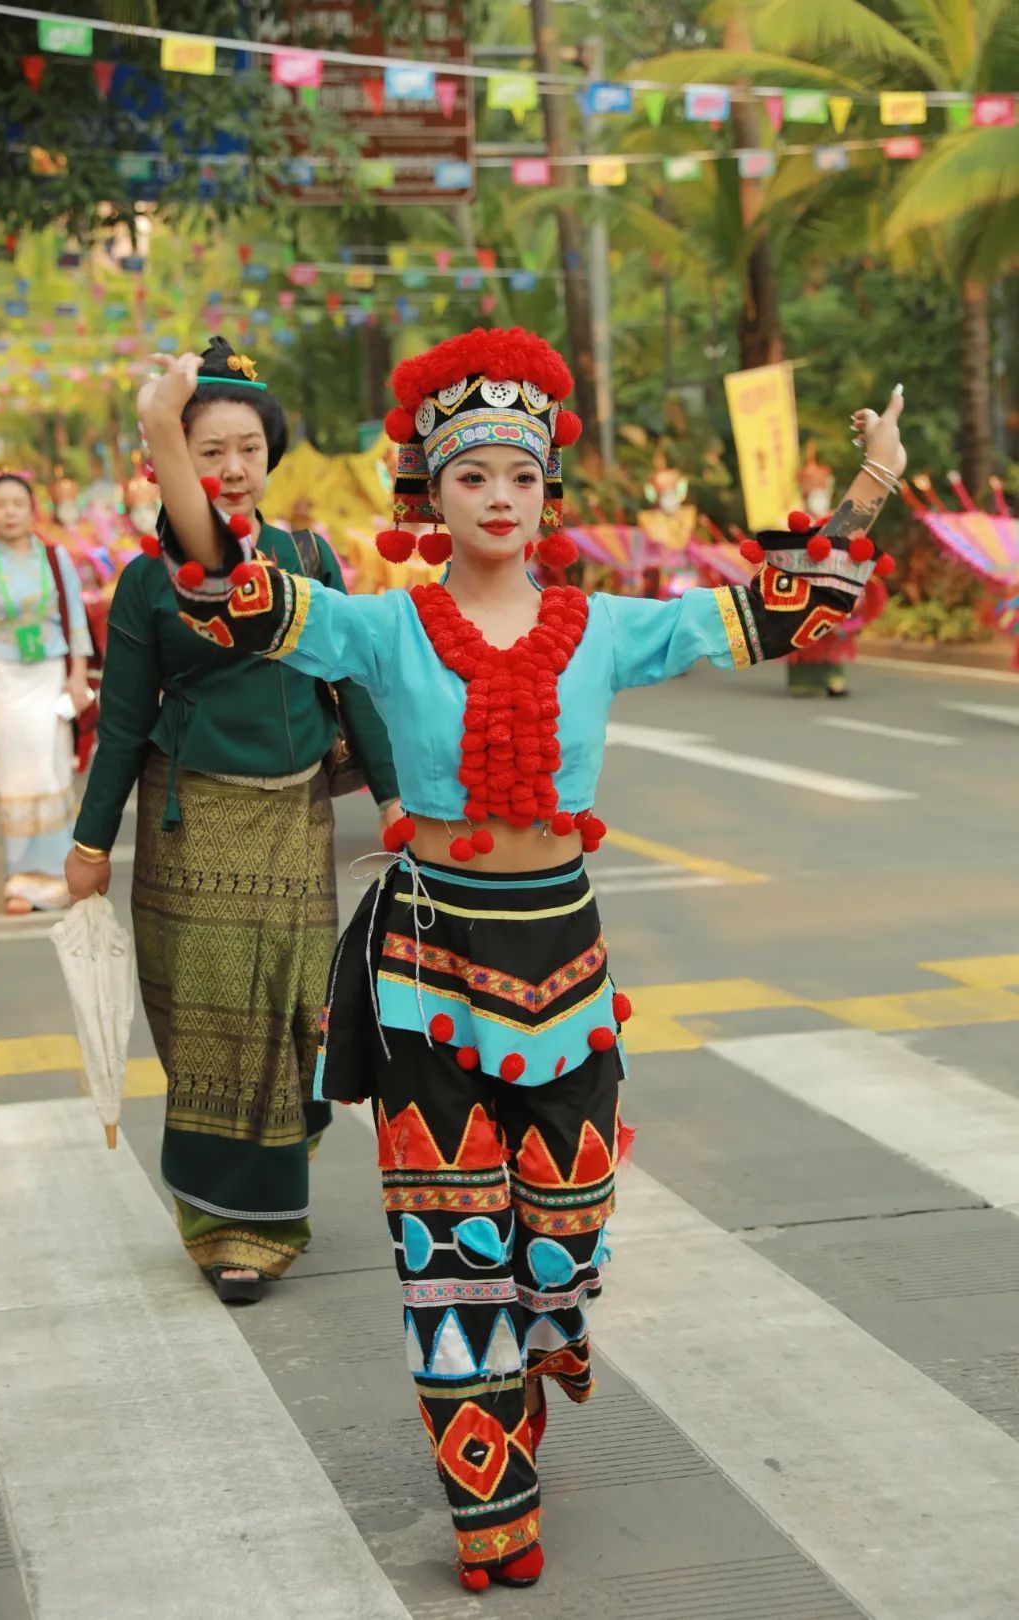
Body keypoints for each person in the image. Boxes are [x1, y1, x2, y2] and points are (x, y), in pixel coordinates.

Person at [142, 328, 906, 1587]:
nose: (501, 498)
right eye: (472, 478)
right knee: (451, 1259)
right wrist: (172, 436)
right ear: (429, 499)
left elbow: (774, 614)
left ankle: (548, 1330)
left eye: (522, 477)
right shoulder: (384, 628)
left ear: (550, 494)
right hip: (428, 966)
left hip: (566, 961)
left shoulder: (605, 625)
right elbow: (230, 584)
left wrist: (868, 489)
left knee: (564, 1231)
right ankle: (491, 1513)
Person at [66, 337, 400, 1305]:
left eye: (247, 447)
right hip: (191, 830)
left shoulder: (310, 558)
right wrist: (89, 844)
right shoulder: (153, 580)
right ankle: (230, 1227)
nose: (232, 468)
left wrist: (389, 796)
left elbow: (351, 683)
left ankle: (263, 1188)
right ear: (176, 460)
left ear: (270, 453)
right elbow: (124, 724)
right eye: (207, 450)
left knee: (295, 1016)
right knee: (217, 1028)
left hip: (294, 827)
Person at [0, 471, 93, 913]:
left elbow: (76, 620)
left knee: (51, 772)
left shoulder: (55, 558)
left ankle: (63, 875)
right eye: (0, 505)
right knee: (16, 776)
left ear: (32, 510)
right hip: (6, 680)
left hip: (50, 675)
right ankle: (23, 880)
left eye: (17, 503)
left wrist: (78, 675)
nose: (9, 512)